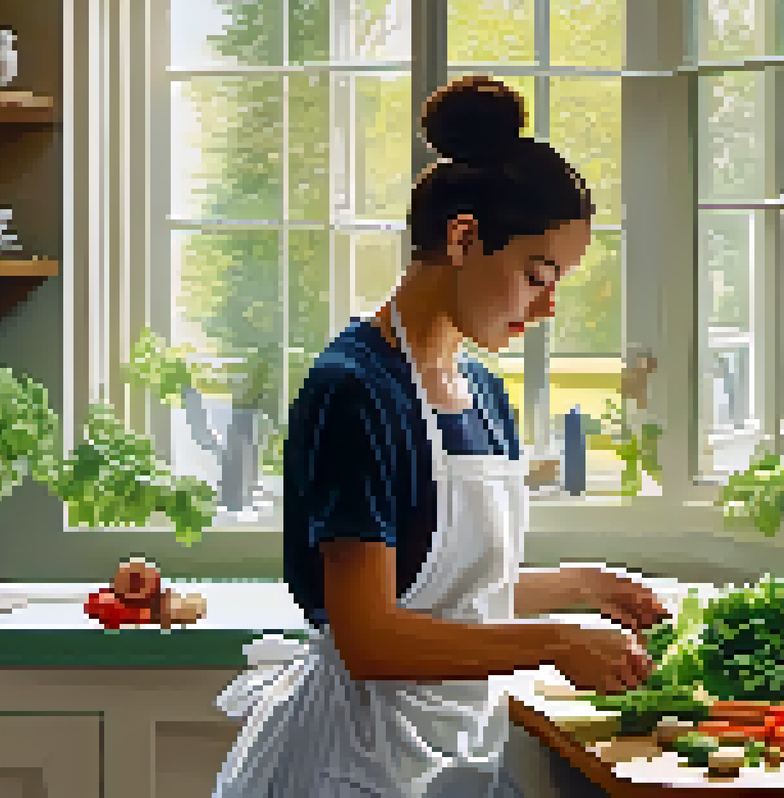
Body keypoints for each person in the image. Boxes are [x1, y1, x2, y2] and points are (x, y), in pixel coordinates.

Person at [212, 75, 669, 798]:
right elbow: (372, 637)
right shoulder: (357, 389)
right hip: (351, 764)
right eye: (537, 275)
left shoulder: (481, 393)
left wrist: (580, 588)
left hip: (453, 757)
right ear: (463, 238)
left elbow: (452, 599)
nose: (548, 306)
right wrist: (555, 642)